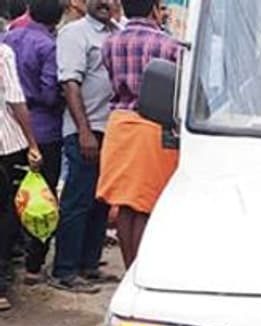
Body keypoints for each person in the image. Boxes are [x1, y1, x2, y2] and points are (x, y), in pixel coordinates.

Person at [96, 0, 180, 270]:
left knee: (125, 204)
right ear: (154, 8)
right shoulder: (169, 46)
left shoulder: (110, 43)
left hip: (119, 124)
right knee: (146, 204)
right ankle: (140, 269)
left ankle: (128, 267)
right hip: (152, 126)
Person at [50, 0, 115, 293]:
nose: (106, 3)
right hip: (85, 131)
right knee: (77, 201)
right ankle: (65, 270)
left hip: (111, 129)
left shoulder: (116, 32)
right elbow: (69, 84)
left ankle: (89, 264)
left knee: (100, 200)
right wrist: (84, 131)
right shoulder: (75, 33)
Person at [5, 0, 65, 285]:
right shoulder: (48, 46)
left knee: (11, 199)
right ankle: (33, 265)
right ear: (57, 18)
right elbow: (49, 93)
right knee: (42, 198)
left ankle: (9, 259)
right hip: (43, 131)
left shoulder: (9, 38)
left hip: (9, 131)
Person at [0, 40, 42, 311]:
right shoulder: (2, 53)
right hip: (5, 146)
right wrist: (32, 143)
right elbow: (16, 100)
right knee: (5, 215)